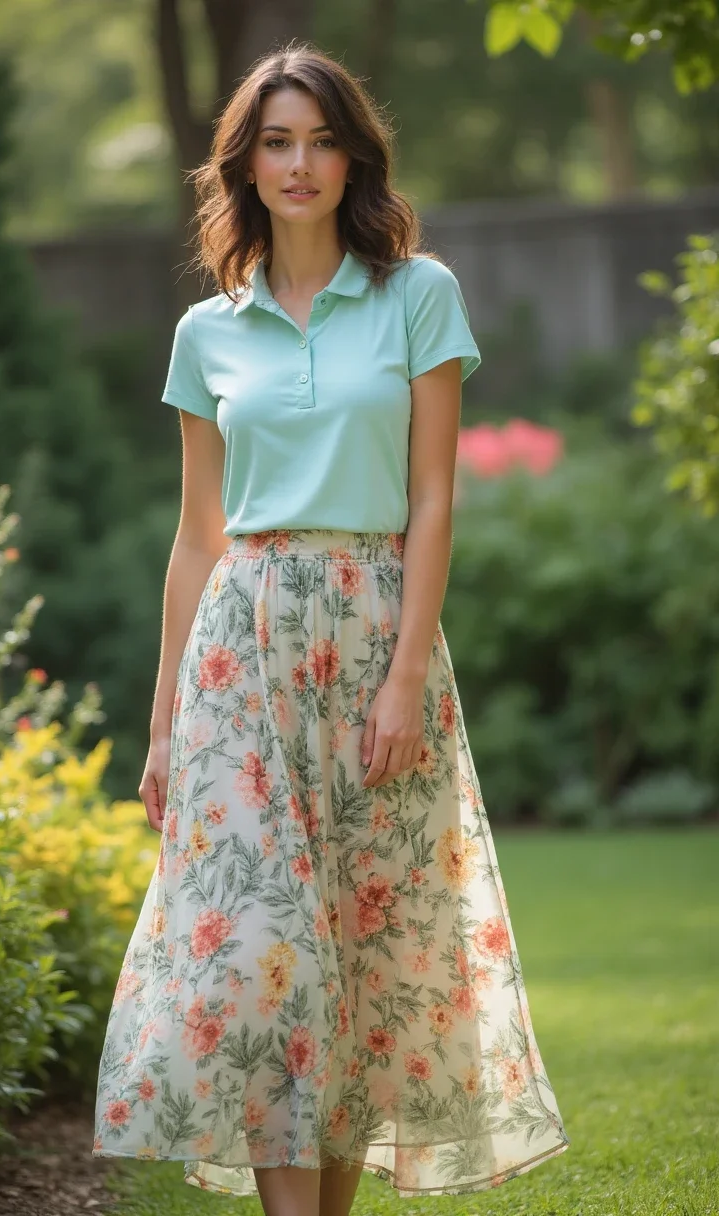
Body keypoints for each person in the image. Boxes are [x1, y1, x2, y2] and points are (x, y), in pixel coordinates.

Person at [92, 39, 570, 1216]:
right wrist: (161, 725)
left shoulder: (419, 294)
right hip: (237, 654)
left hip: (371, 643)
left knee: (357, 959)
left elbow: (432, 499)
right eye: (274, 140)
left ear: (353, 155)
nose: (298, 162)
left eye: (318, 139)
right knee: (259, 961)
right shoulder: (207, 332)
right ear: (243, 165)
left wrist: (405, 674)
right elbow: (197, 534)